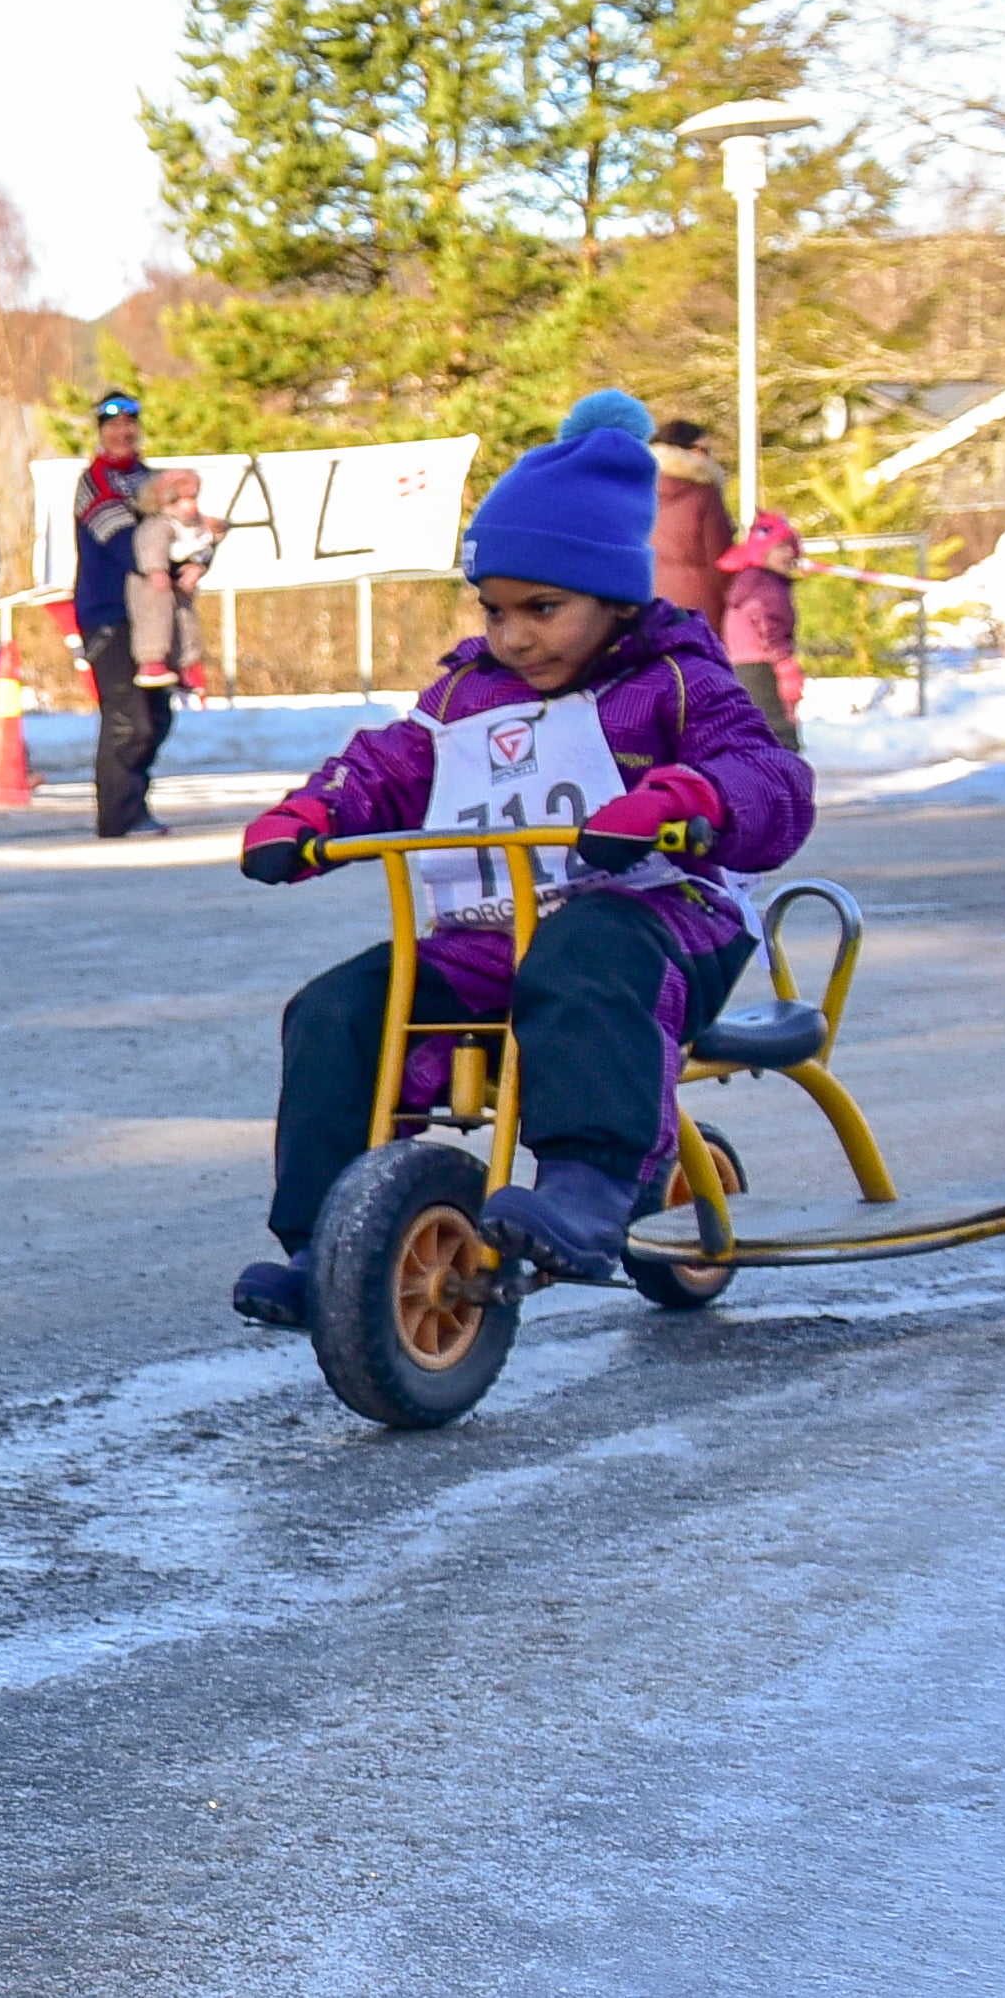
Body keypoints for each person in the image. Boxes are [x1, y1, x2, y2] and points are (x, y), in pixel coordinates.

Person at [226, 421, 815, 1328]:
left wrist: (683, 800)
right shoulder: (467, 693)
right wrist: (315, 813)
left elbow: (770, 781)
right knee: (339, 1009)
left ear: (617, 596)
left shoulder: (675, 680)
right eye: (494, 611)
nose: (514, 637)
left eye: (542, 609)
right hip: (493, 930)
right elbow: (390, 765)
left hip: (658, 923)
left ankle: (588, 1183)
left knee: (583, 953)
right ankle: (327, 1243)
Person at [73, 394, 173, 839]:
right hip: (107, 613)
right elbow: (128, 546)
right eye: (113, 426)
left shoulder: (154, 479)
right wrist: (169, 550)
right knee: (126, 717)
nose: (122, 432)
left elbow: (182, 531)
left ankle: (137, 800)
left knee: (158, 715)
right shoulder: (93, 482)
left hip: (153, 616)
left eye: (130, 424)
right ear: (100, 432)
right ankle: (117, 816)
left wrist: (195, 556)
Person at [718, 507, 808, 747]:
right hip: (763, 665)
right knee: (779, 733)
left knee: (756, 731)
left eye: (791, 546)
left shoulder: (747, 580)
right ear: (762, 552)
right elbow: (770, 626)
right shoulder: (767, 586)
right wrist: (785, 664)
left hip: (742, 664)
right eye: (781, 547)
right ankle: (783, 779)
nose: (790, 553)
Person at [126, 466, 215, 706]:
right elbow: (150, 546)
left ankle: (184, 664)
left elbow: (204, 546)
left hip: (180, 587)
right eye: (182, 499)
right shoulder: (158, 525)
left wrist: (198, 566)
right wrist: (156, 569)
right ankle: (152, 660)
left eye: (192, 498)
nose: (189, 506)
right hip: (154, 588)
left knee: (186, 623)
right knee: (156, 621)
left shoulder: (194, 527)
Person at [647, 417, 735, 621]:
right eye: (704, 450)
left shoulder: (633, 491)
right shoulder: (703, 493)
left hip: (646, 601)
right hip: (698, 603)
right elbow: (721, 559)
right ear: (688, 450)